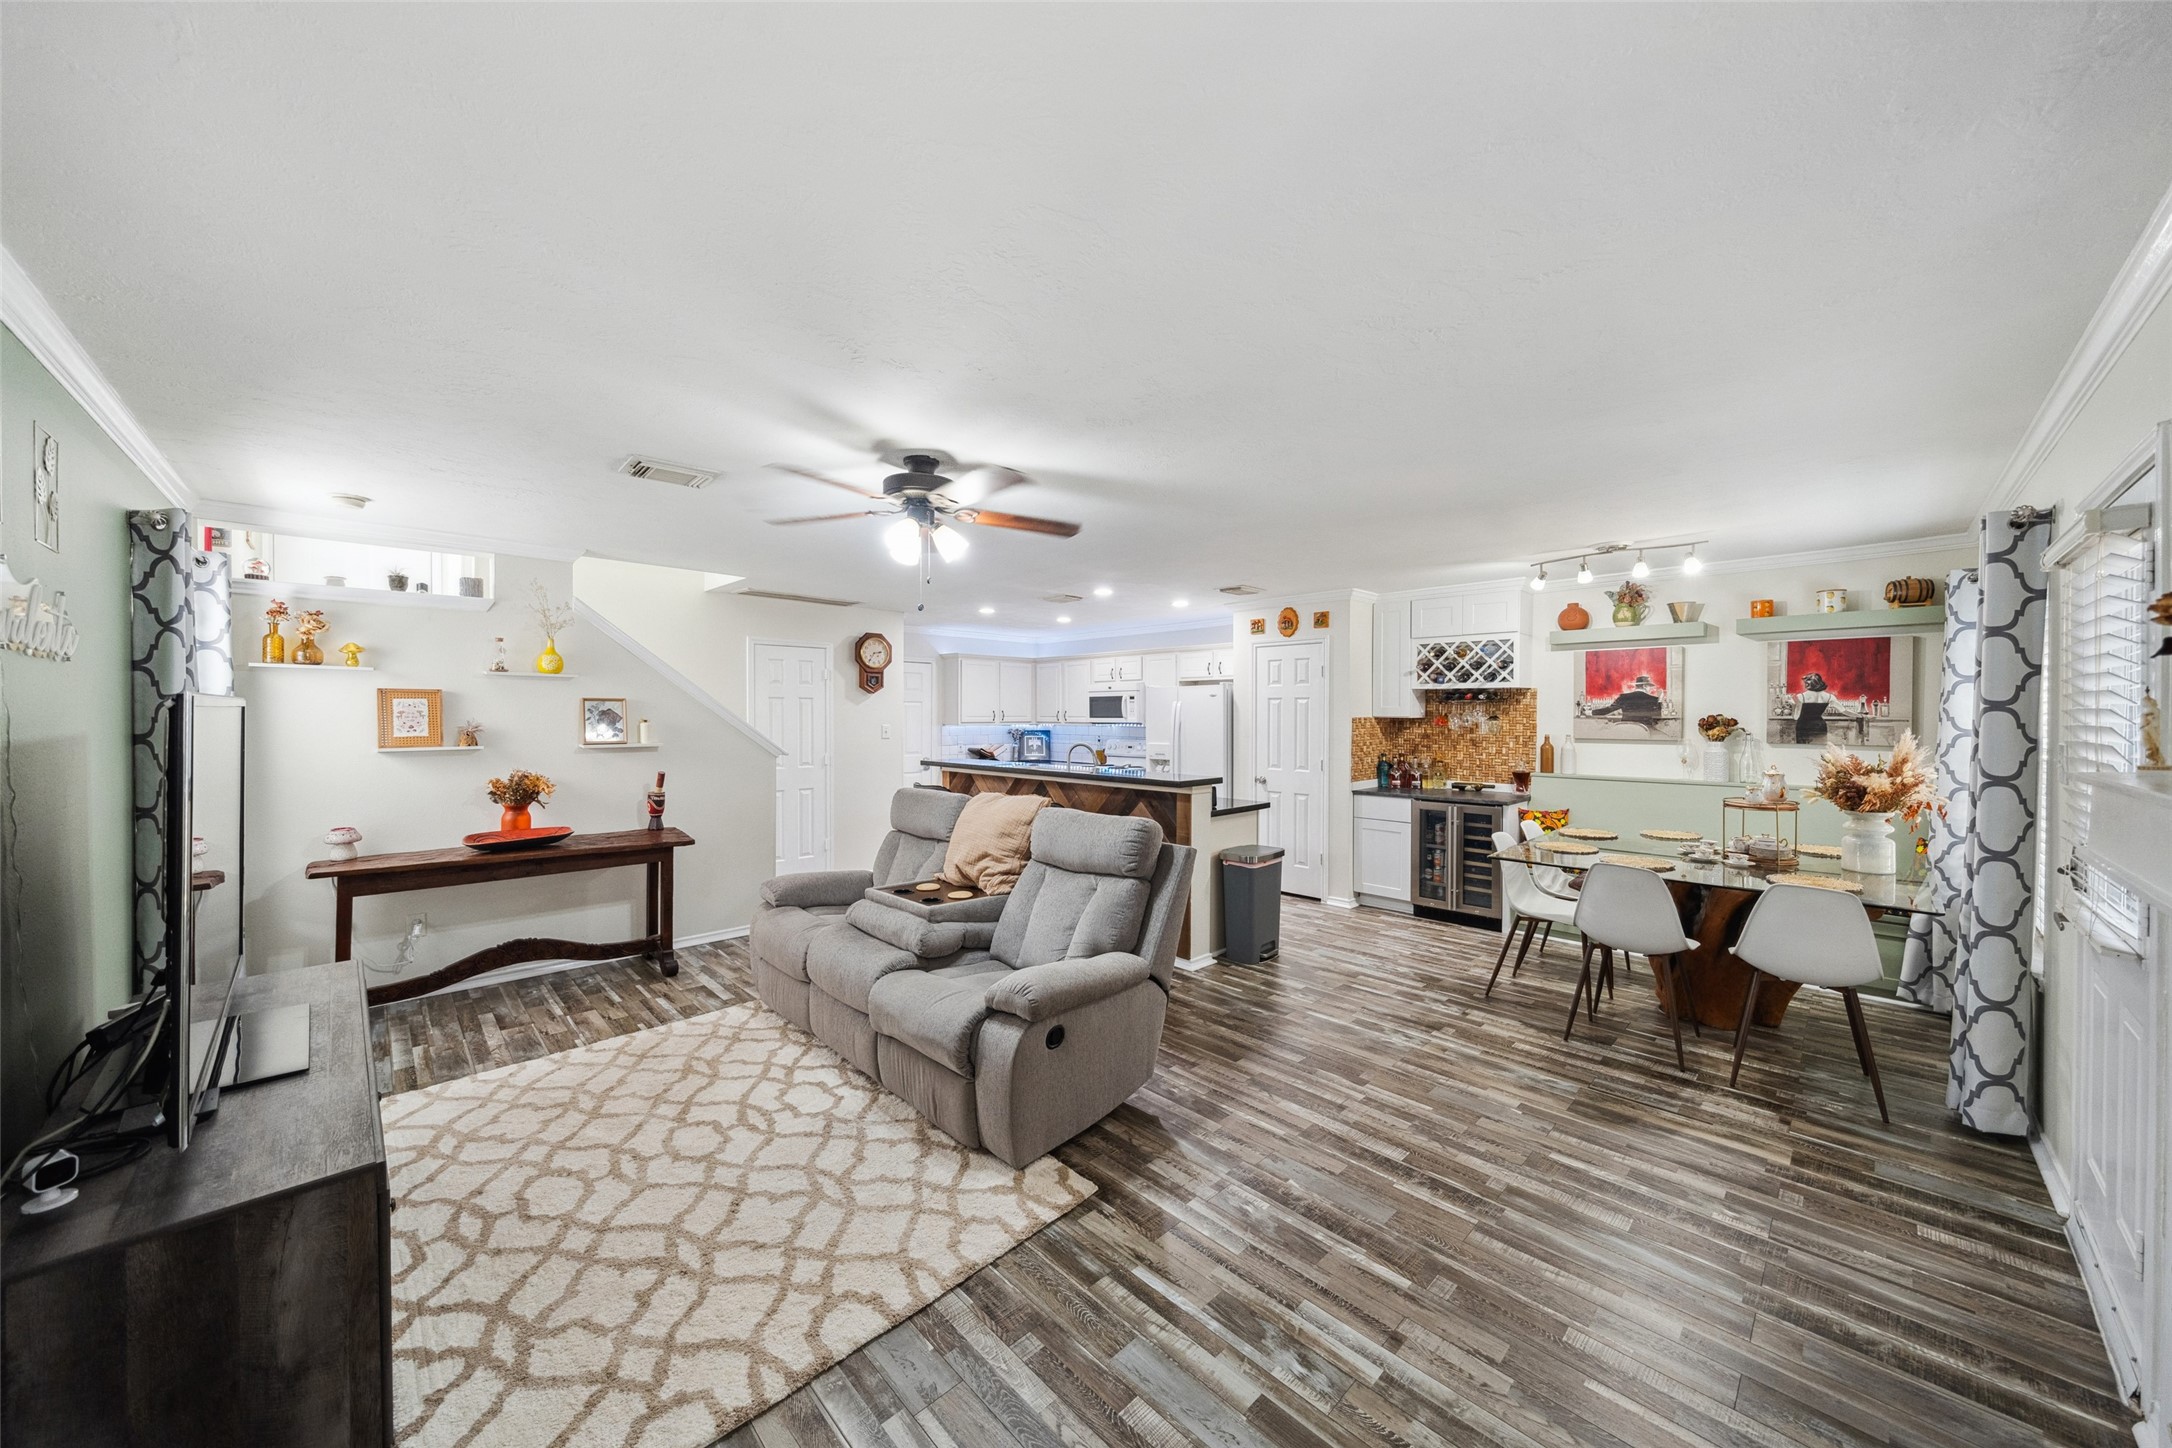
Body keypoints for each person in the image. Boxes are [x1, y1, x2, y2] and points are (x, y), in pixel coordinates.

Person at [1588, 673, 1666, 733]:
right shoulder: (1653, 699)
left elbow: (1609, 709)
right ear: (1645, 686)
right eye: (1649, 686)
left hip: (1625, 729)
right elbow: (1657, 716)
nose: (1650, 689)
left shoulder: (1623, 697)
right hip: (1644, 730)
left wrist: (1591, 712)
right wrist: (1660, 699)